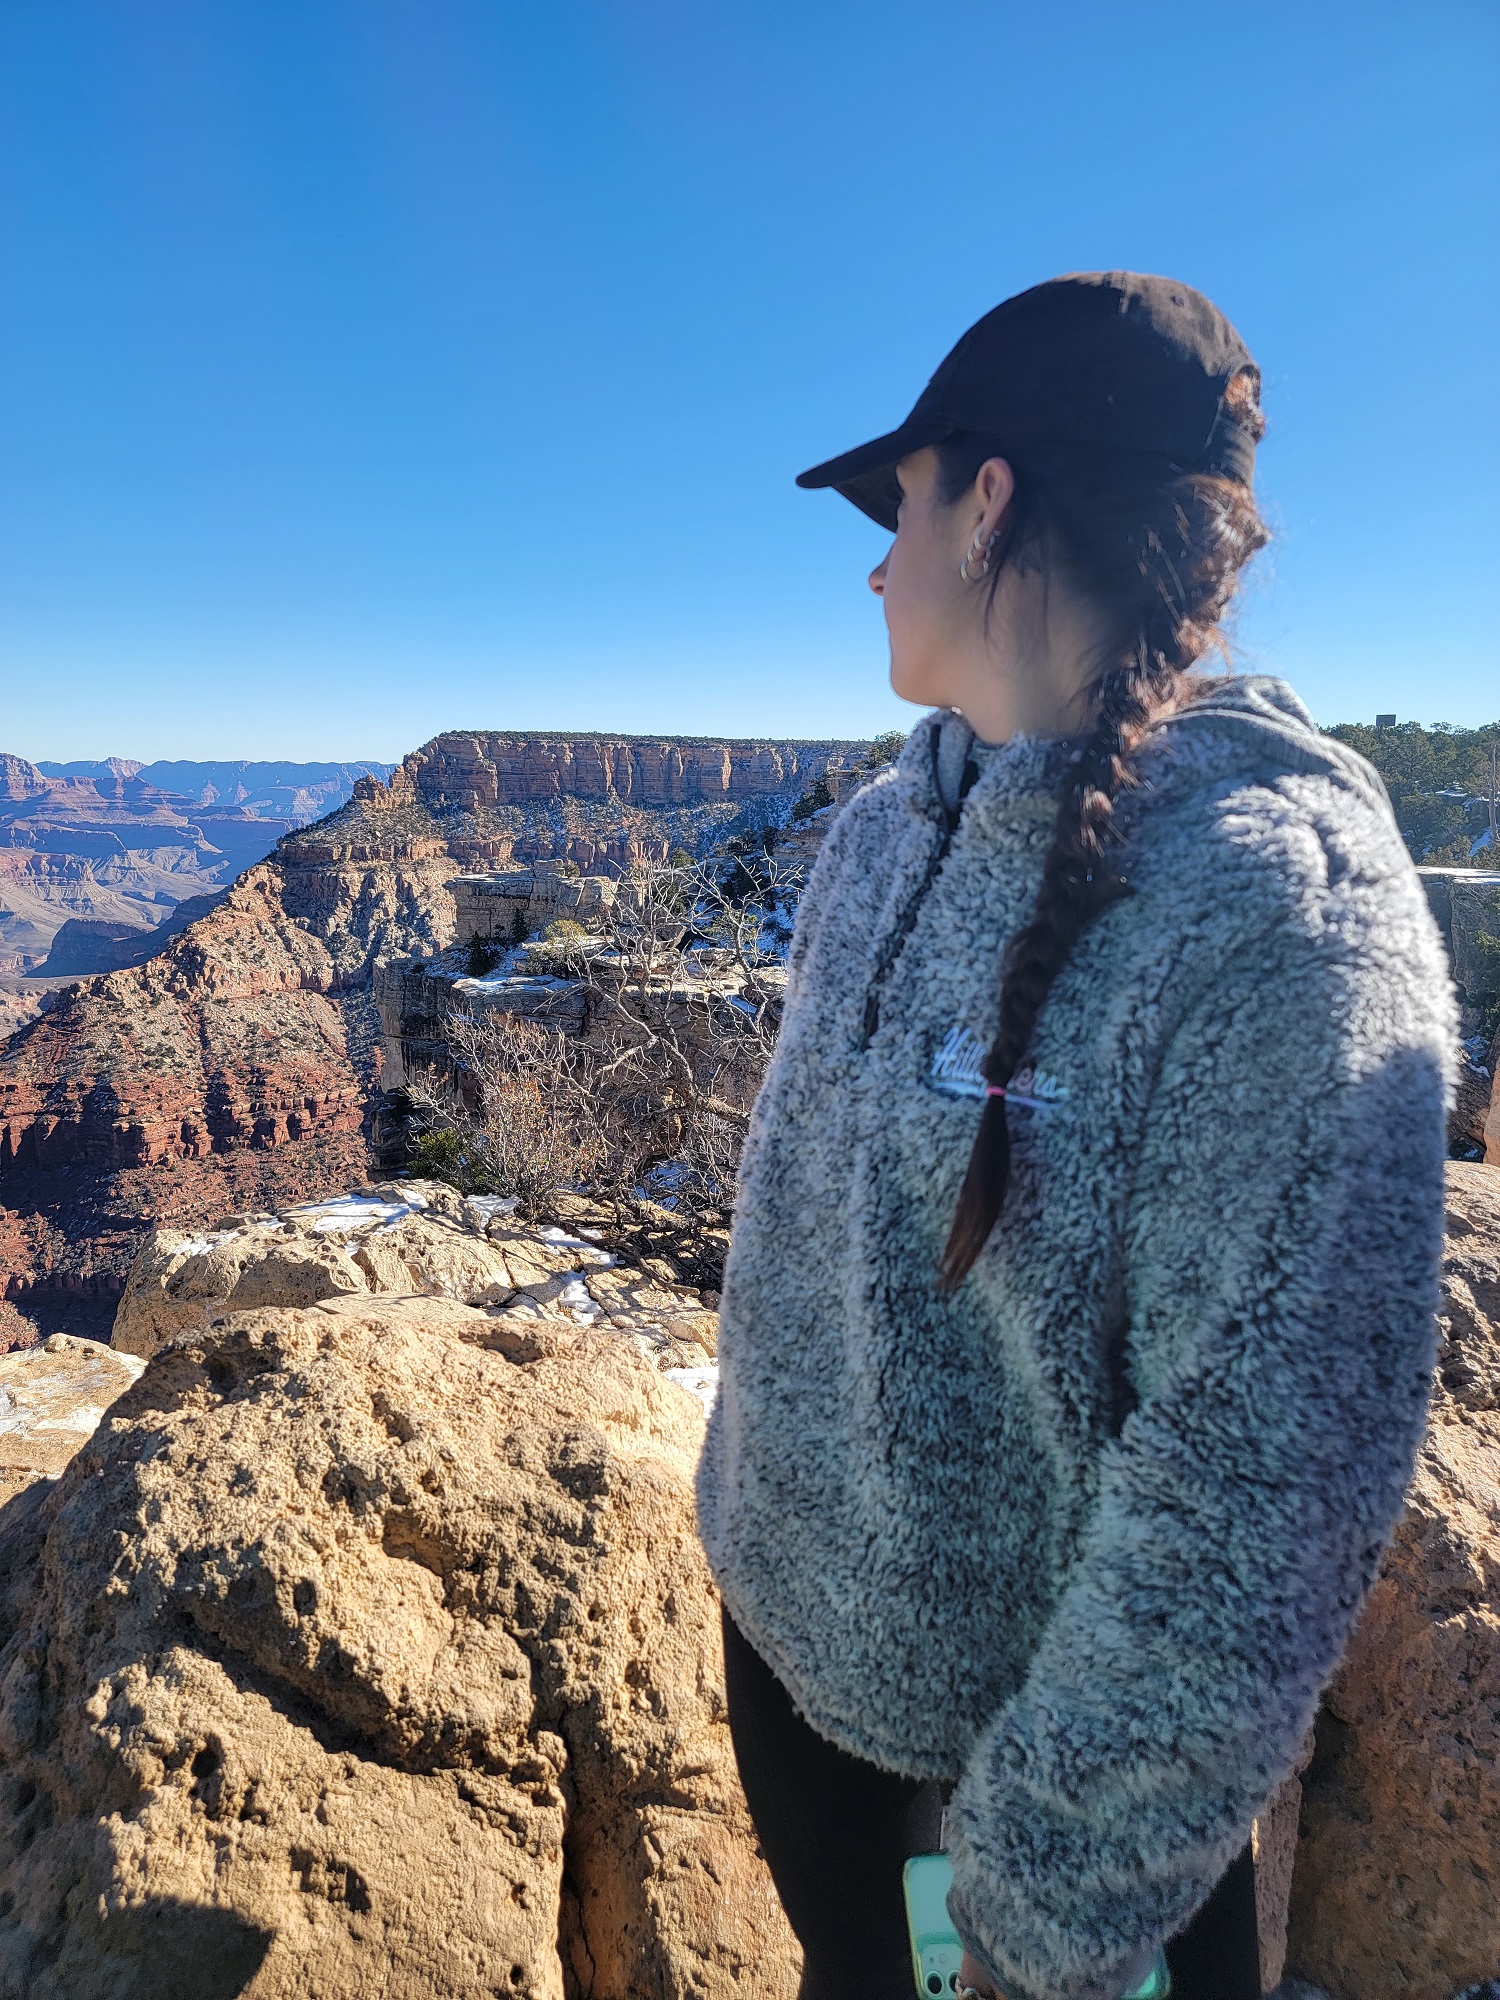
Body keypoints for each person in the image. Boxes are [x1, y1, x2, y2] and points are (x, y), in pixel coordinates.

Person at [695, 273, 1455, 2000]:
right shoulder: (885, 834)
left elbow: (1259, 1495)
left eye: (894, 503)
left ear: (988, 498)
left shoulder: (1279, 916)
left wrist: (1032, 1914)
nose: (874, 560)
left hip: (1021, 1854)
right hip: (813, 1727)